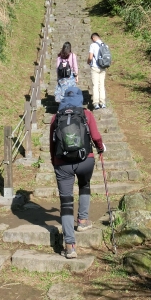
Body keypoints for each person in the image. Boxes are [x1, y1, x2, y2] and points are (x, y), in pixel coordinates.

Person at [50, 87, 105, 259]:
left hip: (62, 163)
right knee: (84, 183)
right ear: (80, 98)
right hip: (85, 161)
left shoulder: (55, 117)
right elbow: (95, 137)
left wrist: (55, 162)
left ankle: (70, 245)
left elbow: (52, 145)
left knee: (66, 202)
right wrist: (101, 148)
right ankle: (82, 220)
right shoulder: (86, 114)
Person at [87, 32, 107, 109]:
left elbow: (91, 57)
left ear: (93, 38)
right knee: (101, 85)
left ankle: (96, 103)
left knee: (95, 85)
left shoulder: (93, 45)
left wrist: (88, 62)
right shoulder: (105, 45)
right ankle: (103, 103)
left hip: (95, 67)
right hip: (103, 67)